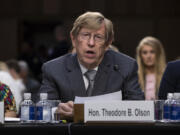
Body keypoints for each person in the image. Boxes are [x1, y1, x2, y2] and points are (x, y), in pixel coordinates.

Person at [38, 11, 144, 120]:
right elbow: (41, 110)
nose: (91, 43)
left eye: (98, 37)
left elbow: (139, 110)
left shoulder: (125, 66)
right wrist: (56, 112)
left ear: (108, 43)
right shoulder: (54, 69)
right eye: (85, 35)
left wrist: (85, 113)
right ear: (74, 39)